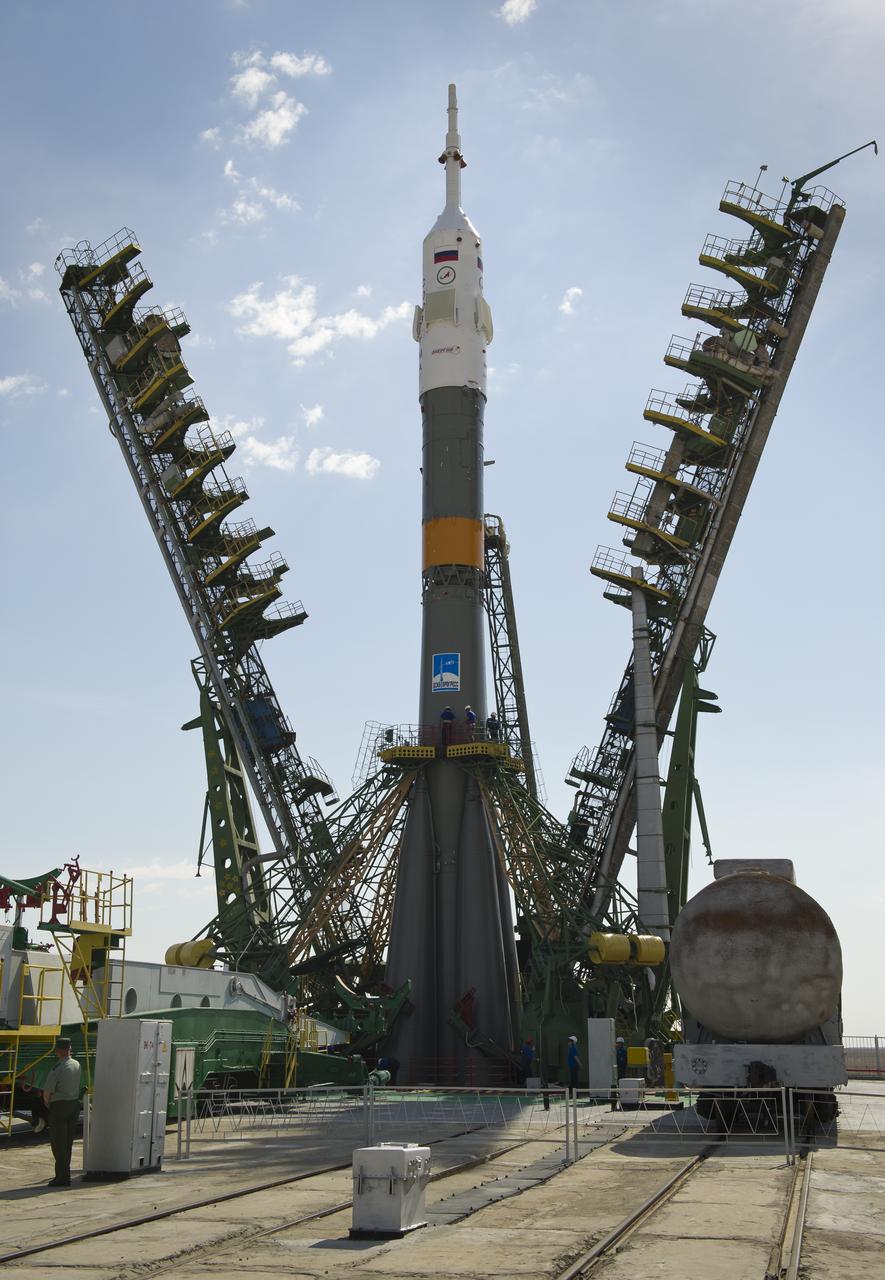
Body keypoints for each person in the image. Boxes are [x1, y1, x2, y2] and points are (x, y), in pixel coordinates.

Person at [42, 1037, 81, 1188]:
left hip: (59, 1107)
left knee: (58, 1144)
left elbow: (47, 1093)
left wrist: (47, 1103)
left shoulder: (57, 1068)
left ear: (59, 1050)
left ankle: (63, 1177)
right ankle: (65, 1175)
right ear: (69, 1049)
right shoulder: (76, 1064)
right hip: (73, 1105)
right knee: (67, 1143)